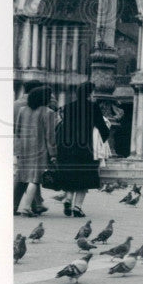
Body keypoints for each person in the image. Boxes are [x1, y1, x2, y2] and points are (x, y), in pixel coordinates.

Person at [55, 82, 107, 218]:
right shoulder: (93, 107)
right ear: (90, 93)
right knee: (85, 178)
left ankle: (67, 199)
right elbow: (102, 128)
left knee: (71, 176)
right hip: (86, 148)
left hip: (68, 148)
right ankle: (77, 207)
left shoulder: (67, 107)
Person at [15, 86, 57, 217]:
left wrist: (18, 148)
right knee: (35, 178)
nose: (51, 99)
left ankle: (13, 206)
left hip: (24, 148)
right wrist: (53, 154)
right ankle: (26, 207)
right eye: (49, 96)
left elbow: (17, 131)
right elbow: (50, 136)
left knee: (21, 178)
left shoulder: (23, 110)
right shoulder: (48, 112)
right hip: (39, 150)